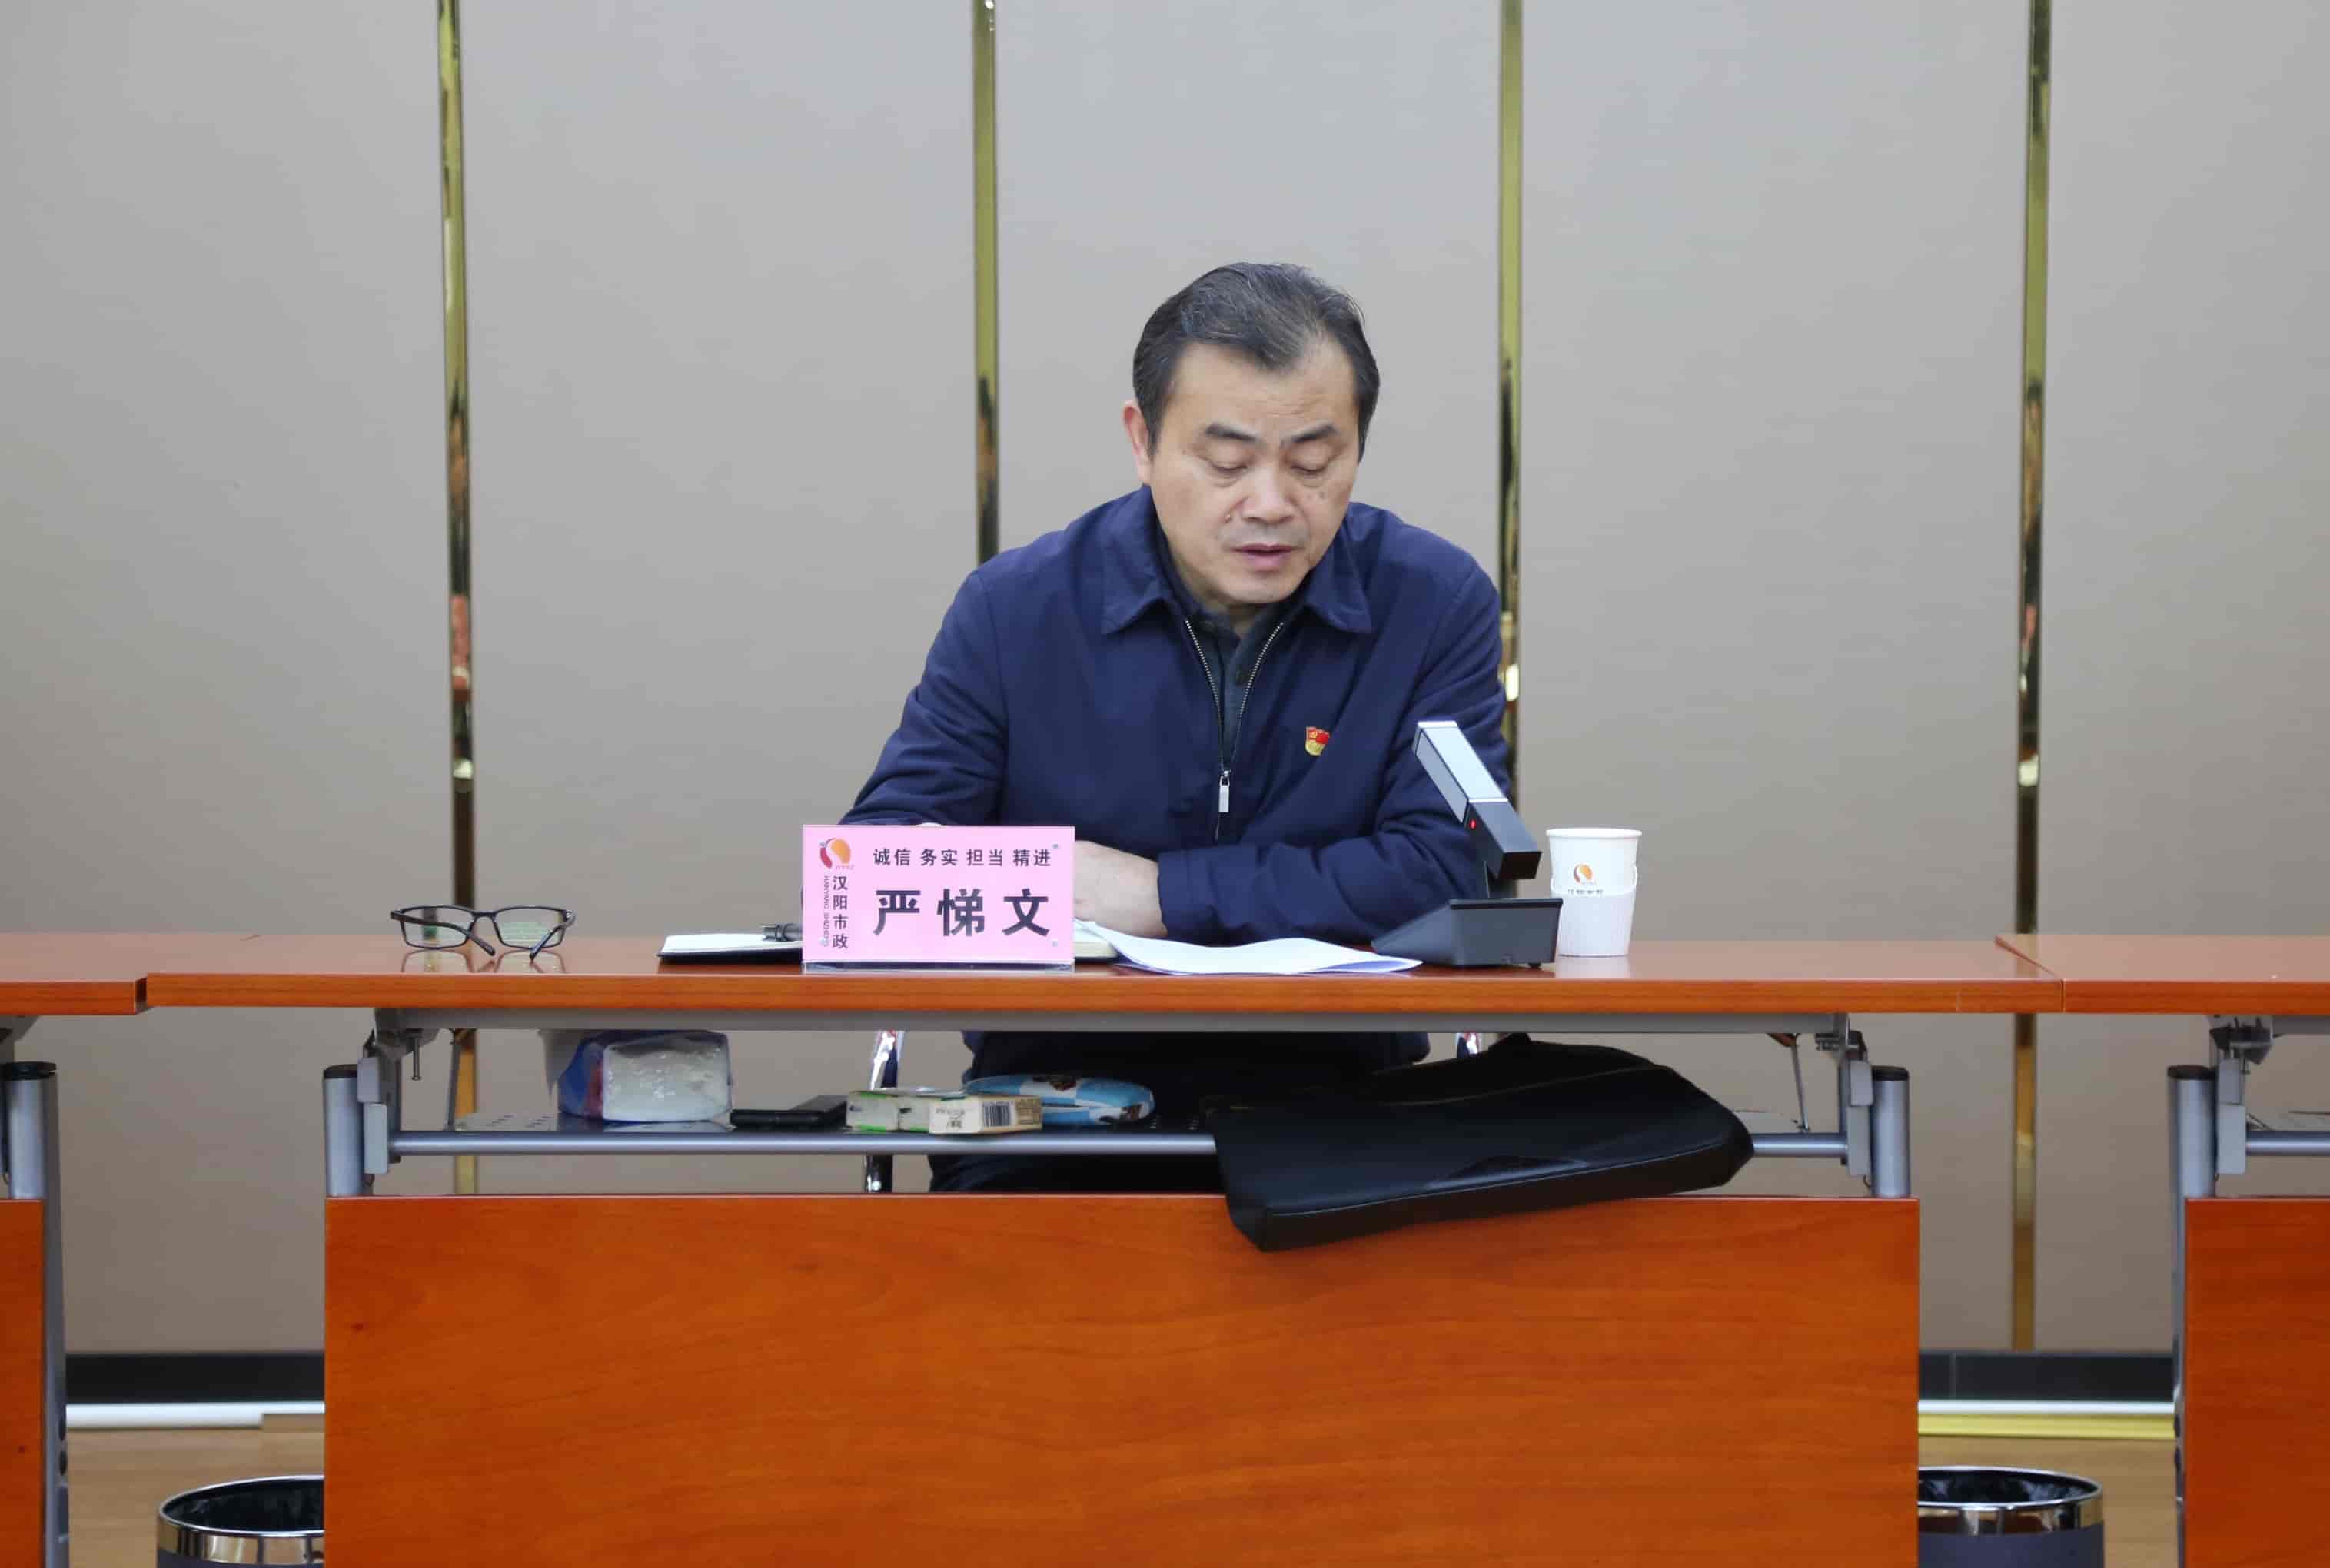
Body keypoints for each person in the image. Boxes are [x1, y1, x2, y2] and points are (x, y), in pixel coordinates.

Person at [845, 261, 1510, 1191]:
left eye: (1313, 463)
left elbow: (1446, 869)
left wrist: (1161, 896)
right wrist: (1044, 884)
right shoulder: (1017, 609)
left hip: (1345, 1115)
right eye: (1227, 462)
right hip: (1053, 1118)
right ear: (1142, 440)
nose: (1271, 503)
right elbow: (882, 865)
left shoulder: (1430, 603)